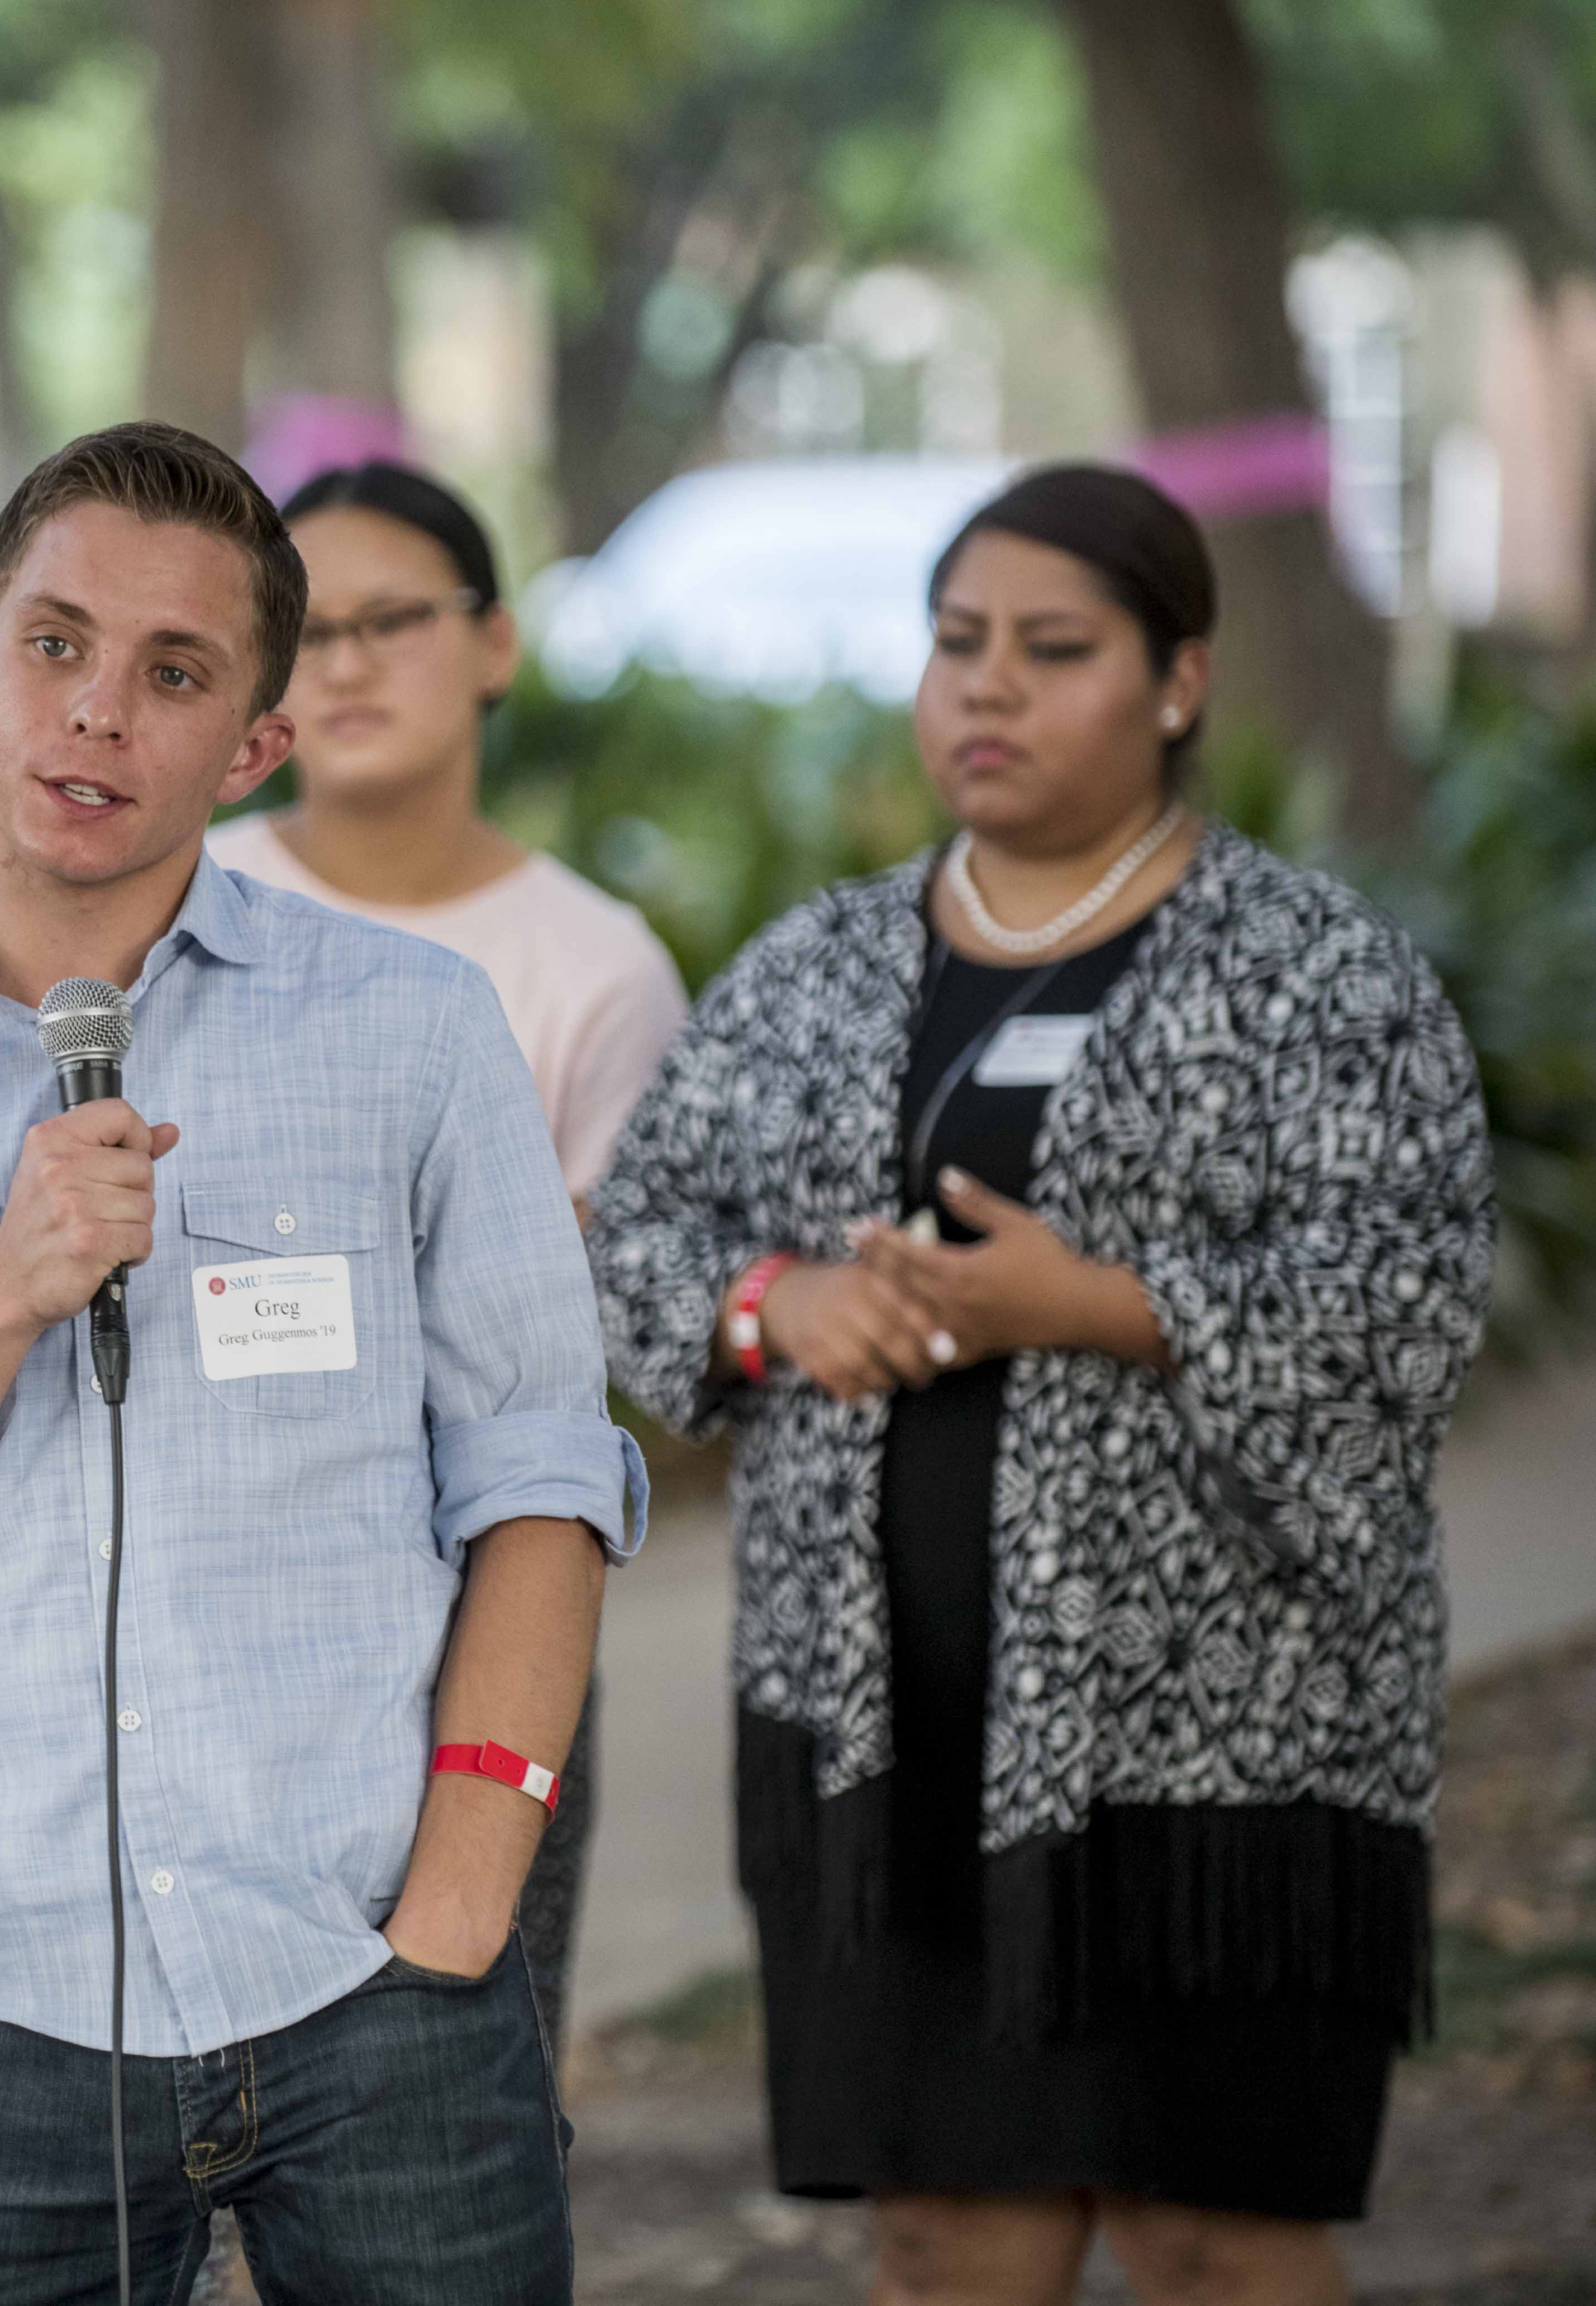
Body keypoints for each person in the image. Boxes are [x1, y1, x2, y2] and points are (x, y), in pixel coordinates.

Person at [0, 422, 646, 2304]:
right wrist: (1, 1291)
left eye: (175, 674)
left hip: (383, 1991)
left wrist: (461, 1906)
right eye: (56, 646)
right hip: (2, 2021)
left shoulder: (415, 1031)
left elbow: (538, 1472)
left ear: (255, 744)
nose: (99, 713)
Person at [585, 465, 1494, 2305]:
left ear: (1178, 682)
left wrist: (1103, 1303)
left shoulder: (1317, 975)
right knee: (945, 2239)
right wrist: (779, 1305)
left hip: (1222, 1730)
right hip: (885, 1723)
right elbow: (627, 1243)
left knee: (1208, 2237)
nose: (984, 690)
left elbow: (1413, 1294)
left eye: (1053, 650)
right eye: (956, 645)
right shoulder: (817, 969)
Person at [207, 458, 688, 2067]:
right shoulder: (174, 907)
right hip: (206, 1621)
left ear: (492, 644)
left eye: (391, 620)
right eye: (308, 630)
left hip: (486, 1620)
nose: (344, 664)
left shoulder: (596, 963)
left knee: (460, 2113)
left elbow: (596, 1336)